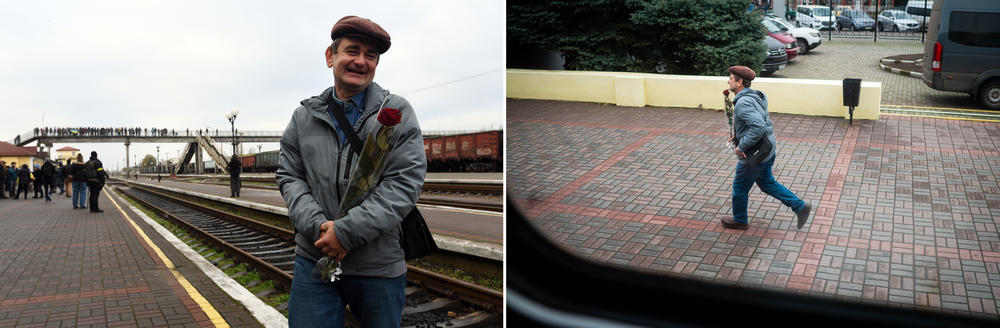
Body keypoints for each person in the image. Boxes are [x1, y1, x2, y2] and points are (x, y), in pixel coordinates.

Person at [276, 15, 426, 328]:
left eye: (370, 56)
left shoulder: (395, 114)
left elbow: (404, 184)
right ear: (330, 56)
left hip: (377, 264)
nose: (361, 61)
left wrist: (344, 233)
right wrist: (319, 228)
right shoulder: (304, 116)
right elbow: (290, 177)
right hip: (314, 257)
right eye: (352, 51)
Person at [721, 65, 811, 230]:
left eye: (731, 78)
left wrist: (742, 145)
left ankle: (740, 220)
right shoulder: (755, 95)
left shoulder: (743, 103)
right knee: (767, 184)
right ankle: (800, 206)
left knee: (739, 188)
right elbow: (755, 123)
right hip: (767, 150)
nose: (728, 80)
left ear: (739, 82)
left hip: (754, 155)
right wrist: (737, 135)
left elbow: (758, 126)